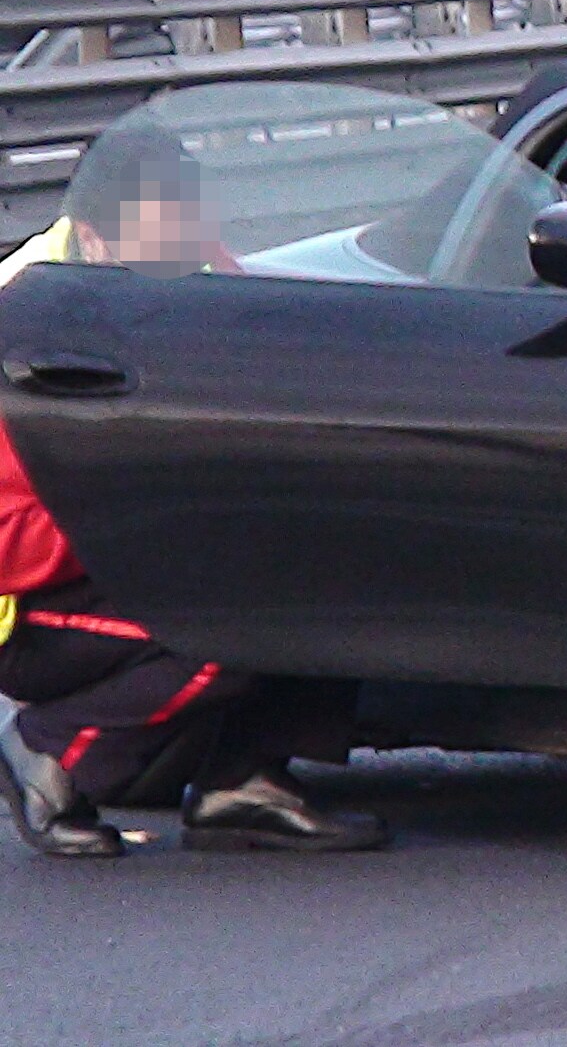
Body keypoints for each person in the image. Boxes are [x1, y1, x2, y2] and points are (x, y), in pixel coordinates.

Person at [0, 118, 385, 856]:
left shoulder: (179, 256)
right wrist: (150, 518)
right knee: (235, 611)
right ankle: (49, 752)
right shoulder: (22, 328)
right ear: (97, 241)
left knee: (330, 550)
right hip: (27, 607)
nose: (187, 264)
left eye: (192, 238)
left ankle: (244, 781)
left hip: (138, 544)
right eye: (162, 251)